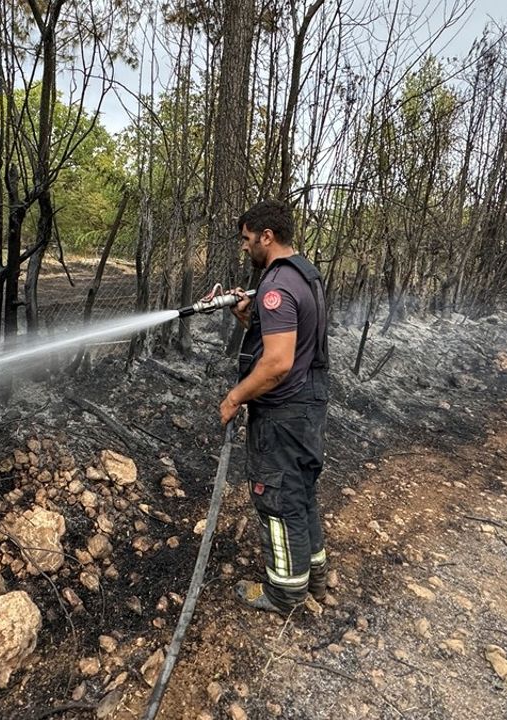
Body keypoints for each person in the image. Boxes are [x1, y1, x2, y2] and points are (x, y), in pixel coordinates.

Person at [217, 199, 330, 614]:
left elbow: (278, 362)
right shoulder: (306, 275)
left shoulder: (277, 286)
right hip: (308, 405)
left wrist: (234, 397)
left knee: (277, 500)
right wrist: (245, 319)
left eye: (247, 240)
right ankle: (315, 577)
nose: (244, 248)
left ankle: (284, 593)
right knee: (300, 494)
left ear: (267, 236)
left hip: (283, 414)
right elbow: (293, 344)